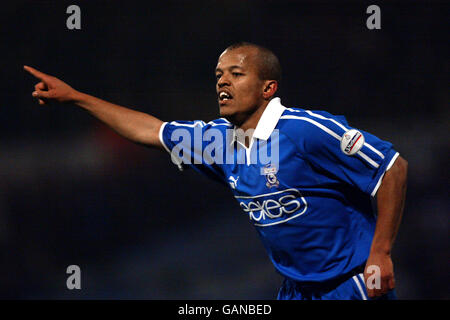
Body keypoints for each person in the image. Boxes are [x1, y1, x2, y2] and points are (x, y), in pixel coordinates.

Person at [24, 42, 408, 300]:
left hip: (353, 282)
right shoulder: (217, 141)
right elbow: (149, 130)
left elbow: (392, 168)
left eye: (236, 74)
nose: (222, 81)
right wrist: (75, 97)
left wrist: (381, 253)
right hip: (296, 289)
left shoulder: (306, 130)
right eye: (219, 74)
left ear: (267, 88)